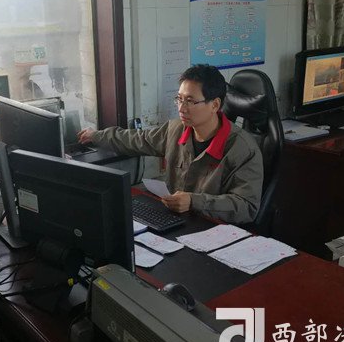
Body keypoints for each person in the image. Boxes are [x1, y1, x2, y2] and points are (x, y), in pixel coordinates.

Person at [77, 64, 263, 225]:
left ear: (214, 105)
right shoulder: (176, 129)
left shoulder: (243, 148)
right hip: (177, 221)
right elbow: (137, 139)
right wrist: (97, 136)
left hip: (214, 229)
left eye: (190, 101)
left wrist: (193, 201)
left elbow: (247, 207)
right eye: (179, 99)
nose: (181, 108)